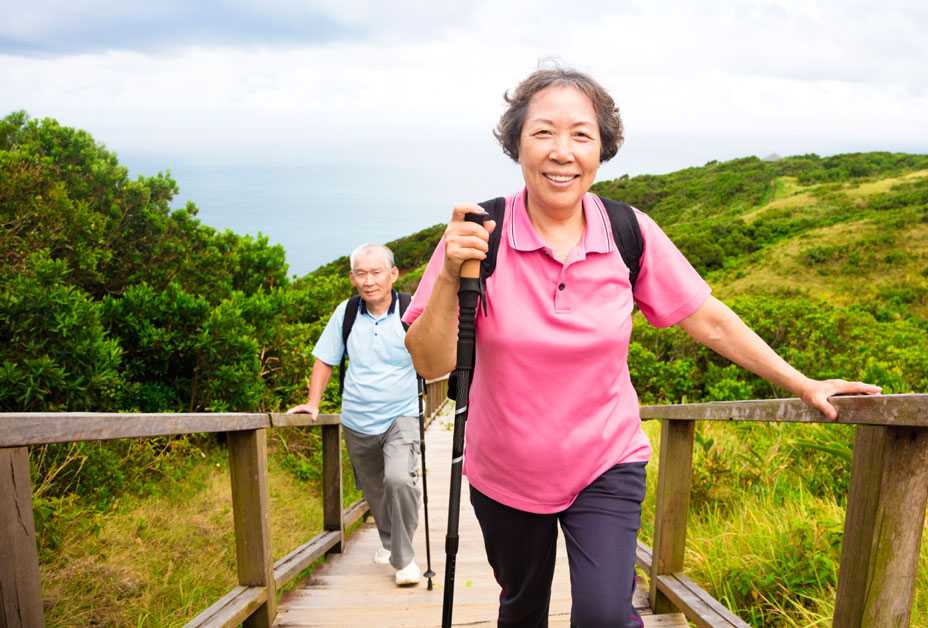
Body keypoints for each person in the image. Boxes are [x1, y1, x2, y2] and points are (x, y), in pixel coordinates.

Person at [402, 67, 881, 627]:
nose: (562, 152)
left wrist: (802, 382)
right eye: (543, 133)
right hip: (505, 469)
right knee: (522, 607)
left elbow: (710, 321)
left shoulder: (629, 232)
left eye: (581, 135)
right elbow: (431, 362)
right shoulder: (478, 235)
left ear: (602, 149)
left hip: (606, 460)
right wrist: (445, 277)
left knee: (606, 615)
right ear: (516, 143)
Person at [287, 243, 423, 587]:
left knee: (399, 480)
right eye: (361, 273)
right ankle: (392, 543)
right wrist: (313, 402)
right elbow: (325, 360)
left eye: (376, 272)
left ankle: (403, 561)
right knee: (376, 491)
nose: (369, 280)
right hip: (358, 420)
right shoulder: (345, 314)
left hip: (402, 415)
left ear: (393, 274)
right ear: (352, 278)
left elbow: (434, 352)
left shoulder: (411, 312)